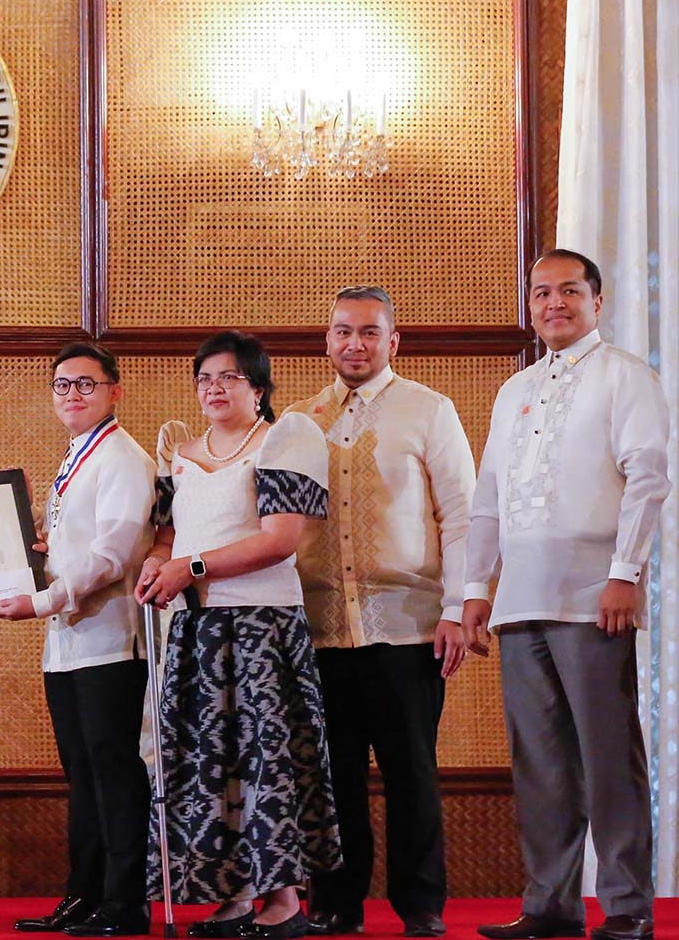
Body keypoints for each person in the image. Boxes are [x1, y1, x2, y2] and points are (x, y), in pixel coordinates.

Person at [462, 250, 670, 940]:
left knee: (608, 755)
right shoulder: (513, 389)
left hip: (592, 596)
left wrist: (625, 571)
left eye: (570, 291)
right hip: (520, 601)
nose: (554, 302)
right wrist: (473, 588)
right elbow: (487, 499)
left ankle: (627, 905)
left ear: (597, 301)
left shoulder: (626, 377)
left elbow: (647, 477)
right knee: (542, 761)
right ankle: (549, 903)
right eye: (542, 291)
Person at [135, 331, 341, 940]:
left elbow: (280, 540)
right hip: (198, 628)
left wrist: (190, 568)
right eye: (205, 378)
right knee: (209, 761)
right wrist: (159, 558)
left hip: (260, 627)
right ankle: (235, 893)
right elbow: (170, 535)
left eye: (230, 377)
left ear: (258, 386)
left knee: (263, 759)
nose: (215, 388)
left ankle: (282, 903)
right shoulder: (182, 449)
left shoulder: (284, 436)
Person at [284, 287, 475, 939]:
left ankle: (421, 904)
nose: (354, 344)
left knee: (410, 772)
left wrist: (457, 607)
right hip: (319, 631)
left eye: (369, 332)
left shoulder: (429, 410)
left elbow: (462, 516)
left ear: (394, 341)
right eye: (342, 331)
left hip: (408, 627)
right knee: (330, 776)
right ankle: (337, 900)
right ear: (326, 340)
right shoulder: (300, 419)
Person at [0, 342, 155, 938]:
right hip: (68, 644)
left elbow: (111, 556)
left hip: (111, 640)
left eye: (86, 384)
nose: (72, 395)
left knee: (113, 773)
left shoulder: (124, 458)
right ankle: (83, 897)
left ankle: (124, 905)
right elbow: (75, 546)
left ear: (115, 391)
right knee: (81, 775)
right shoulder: (77, 454)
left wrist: (39, 600)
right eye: (62, 385)